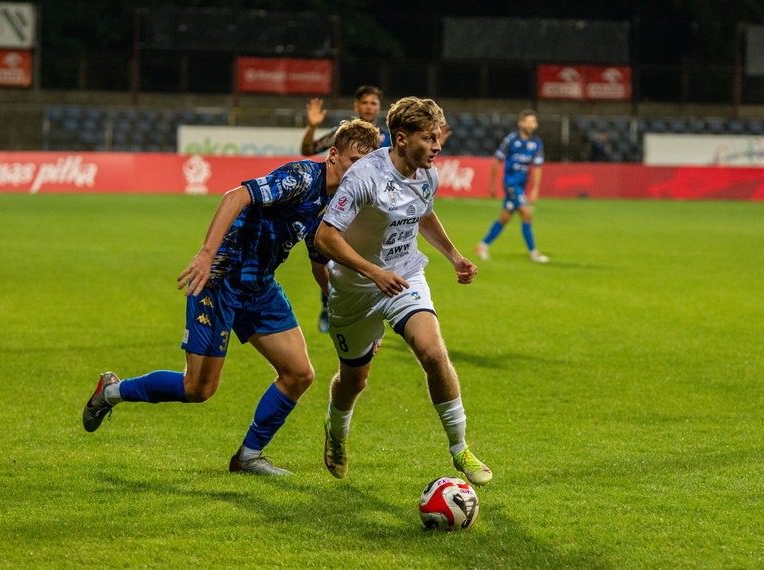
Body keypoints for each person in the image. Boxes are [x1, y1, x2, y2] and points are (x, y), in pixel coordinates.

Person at [82, 119, 381, 476]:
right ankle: (113, 391)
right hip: (219, 281)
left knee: (299, 373)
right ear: (333, 155)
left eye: (364, 167)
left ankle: (248, 456)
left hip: (260, 288)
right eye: (351, 162)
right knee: (198, 388)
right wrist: (207, 254)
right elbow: (236, 196)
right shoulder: (302, 178)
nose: (355, 173)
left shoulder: (336, 204)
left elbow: (320, 261)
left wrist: (343, 312)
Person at [314, 96, 493, 487]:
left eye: (438, 137)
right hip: (355, 288)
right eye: (429, 138)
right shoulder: (364, 176)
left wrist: (454, 256)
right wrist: (372, 271)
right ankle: (337, 431)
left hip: (406, 275)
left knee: (432, 351)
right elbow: (325, 236)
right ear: (400, 138)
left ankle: (459, 446)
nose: (437, 146)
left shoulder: (427, 173)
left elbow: (424, 213)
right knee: (354, 381)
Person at [301, 86, 392, 335]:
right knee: (329, 255)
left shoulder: (388, 138)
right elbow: (308, 150)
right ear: (356, 106)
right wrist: (311, 126)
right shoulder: (341, 135)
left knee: (364, 257)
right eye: (365, 103)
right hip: (339, 203)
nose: (370, 107)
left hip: (369, 207)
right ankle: (328, 304)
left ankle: (367, 309)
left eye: (374, 103)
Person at [475, 109, 549, 263]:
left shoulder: (536, 143)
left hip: (521, 186)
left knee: (505, 217)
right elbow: (497, 161)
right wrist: (492, 184)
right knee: (527, 214)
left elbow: (537, 167)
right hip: (510, 184)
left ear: (536, 125)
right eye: (527, 121)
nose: (530, 125)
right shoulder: (510, 140)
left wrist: (535, 189)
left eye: (533, 122)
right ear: (520, 123)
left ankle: (482, 245)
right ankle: (533, 253)